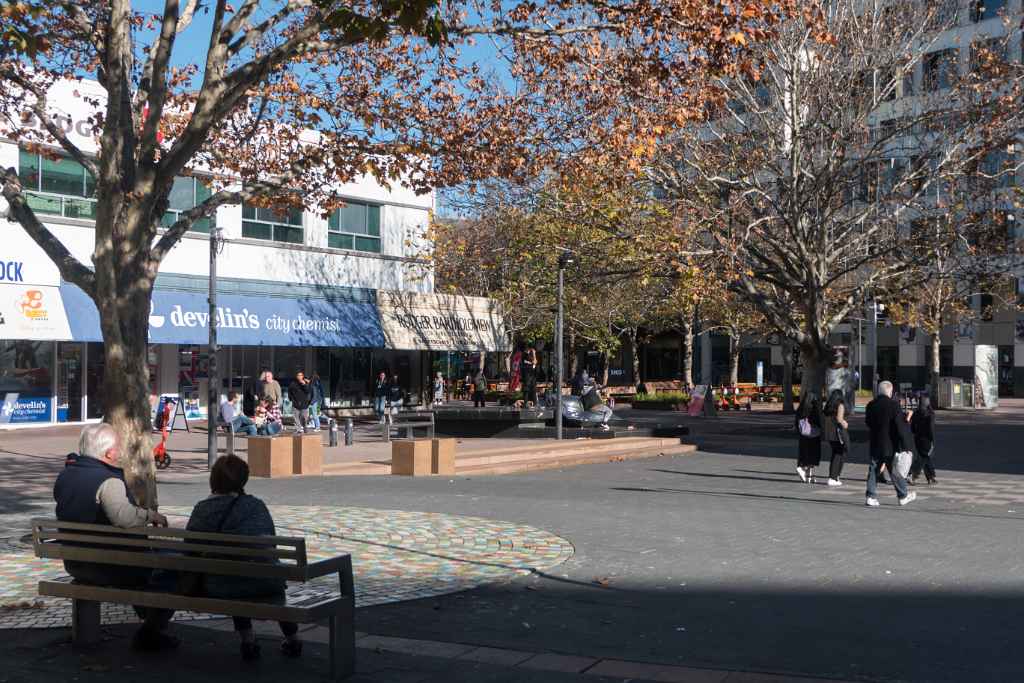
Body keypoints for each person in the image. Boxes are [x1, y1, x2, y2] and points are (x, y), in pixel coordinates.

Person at [53, 424, 176, 651]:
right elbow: (124, 517)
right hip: (107, 564)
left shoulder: (65, 476)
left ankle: (149, 620)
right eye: (118, 447)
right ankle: (151, 628)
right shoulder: (108, 481)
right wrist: (149, 515)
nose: (121, 451)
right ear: (109, 453)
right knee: (170, 568)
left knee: (149, 567)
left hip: (75, 561)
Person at [186, 455, 303, 662]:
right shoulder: (256, 506)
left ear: (214, 480)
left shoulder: (202, 509)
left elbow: (190, 549)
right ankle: (293, 638)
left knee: (232, 574)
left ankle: (248, 640)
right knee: (262, 570)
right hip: (266, 582)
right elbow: (271, 546)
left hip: (220, 584)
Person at [864, 381, 916, 507]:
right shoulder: (894, 405)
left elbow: (868, 422)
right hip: (890, 443)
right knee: (894, 469)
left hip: (876, 441)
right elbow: (899, 426)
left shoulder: (871, 405)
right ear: (890, 391)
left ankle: (871, 496)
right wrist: (906, 444)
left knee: (874, 468)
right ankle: (902, 495)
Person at [822, 389, 848, 487]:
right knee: (839, 454)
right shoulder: (840, 405)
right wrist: (845, 424)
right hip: (838, 434)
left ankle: (834, 477)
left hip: (829, 434)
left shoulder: (828, 406)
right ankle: (833, 477)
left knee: (835, 454)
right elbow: (839, 419)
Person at [794, 393, 822, 483]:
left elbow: (796, 421)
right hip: (813, 434)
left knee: (804, 453)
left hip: (803, 434)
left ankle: (809, 475)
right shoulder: (814, 408)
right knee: (813, 455)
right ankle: (803, 470)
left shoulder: (801, 409)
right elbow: (817, 420)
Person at [909, 395, 937, 484]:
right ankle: (912, 473)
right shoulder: (930, 414)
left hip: (917, 438)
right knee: (923, 457)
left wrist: (915, 433)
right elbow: (931, 428)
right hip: (927, 439)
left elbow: (912, 427)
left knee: (925, 457)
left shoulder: (916, 413)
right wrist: (933, 440)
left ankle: (931, 476)